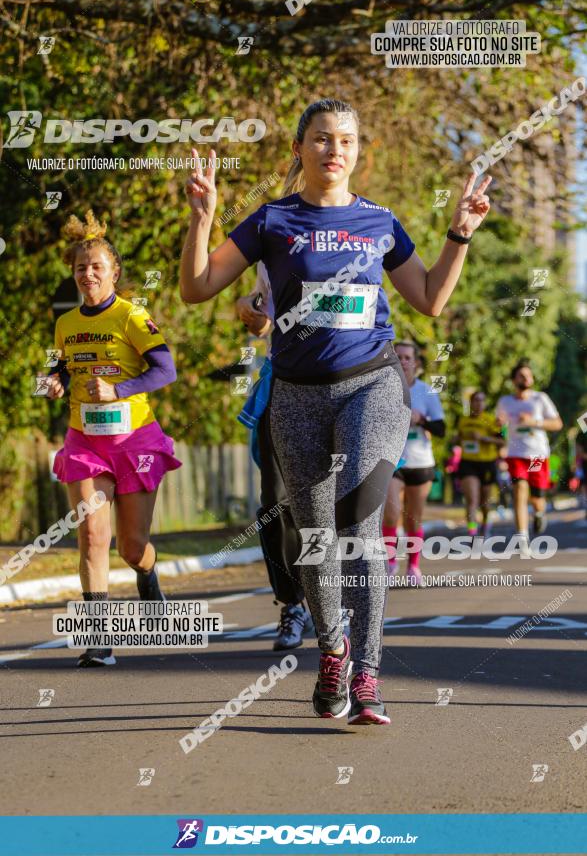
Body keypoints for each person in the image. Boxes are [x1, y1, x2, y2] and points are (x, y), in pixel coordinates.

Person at [180, 97, 491, 724]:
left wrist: (458, 235)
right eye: (322, 139)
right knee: (316, 539)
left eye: (345, 140)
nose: (334, 150)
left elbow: (429, 299)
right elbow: (196, 288)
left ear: (357, 151)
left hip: (370, 384)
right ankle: (333, 652)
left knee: (358, 524)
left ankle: (369, 673)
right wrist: (203, 218)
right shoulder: (271, 221)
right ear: (300, 149)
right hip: (295, 395)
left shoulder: (380, 222)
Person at [47, 211, 181, 667]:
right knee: (91, 534)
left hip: (134, 441)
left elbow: (166, 369)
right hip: (85, 440)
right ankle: (99, 639)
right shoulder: (65, 325)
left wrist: (119, 389)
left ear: (114, 272)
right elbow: (62, 366)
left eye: (97, 267)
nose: (88, 275)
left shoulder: (131, 315)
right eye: (81, 268)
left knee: (132, 546)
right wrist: (56, 381)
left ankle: (148, 578)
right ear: (74, 272)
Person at [236, 262, 313, 650]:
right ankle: (292, 603)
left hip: (342, 386)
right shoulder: (272, 250)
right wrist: (247, 305)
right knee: (275, 505)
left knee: (333, 504)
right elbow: (262, 320)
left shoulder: (356, 236)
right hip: (282, 386)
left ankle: (333, 601)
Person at [382, 341, 446, 587]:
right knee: (392, 512)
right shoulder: (383, 389)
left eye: (408, 357)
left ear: (416, 363)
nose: (403, 361)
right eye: (398, 356)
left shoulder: (426, 392)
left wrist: (421, 420)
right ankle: (389, 563)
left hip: (421, 462)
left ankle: (413, 566)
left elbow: (441, 429)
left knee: (413, 519)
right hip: (392, 460)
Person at [496, 359, 562, 551]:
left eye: (528, 375)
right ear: (514, 380)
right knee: (519, 490)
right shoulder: (505, 402)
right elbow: (499, 428)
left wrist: (534, 422)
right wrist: (499, 426)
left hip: (537, 455)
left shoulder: (540, 399)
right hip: (516, 453)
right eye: (521, 375)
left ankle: (540, 513)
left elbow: (557, 424)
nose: (526, 378)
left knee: (537, 498)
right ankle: (522, 538)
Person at [457, 390, 505, 537]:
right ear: (470, 403)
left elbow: (502, 441)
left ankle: (485, 525)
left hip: (487, 463)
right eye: (476, 400)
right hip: (468, 463)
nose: (478, 403)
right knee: (472, 499)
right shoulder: (463, 421)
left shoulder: (491, 420)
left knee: (485, 502)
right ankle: (472, 531)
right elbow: (457, 439)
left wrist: (484, 439)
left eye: (482, 400)